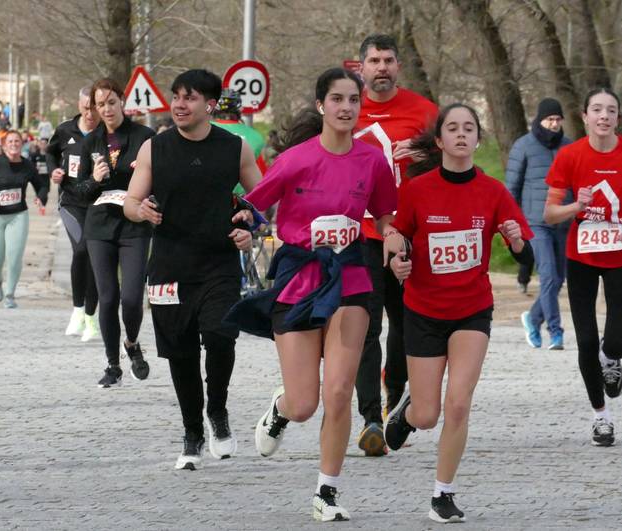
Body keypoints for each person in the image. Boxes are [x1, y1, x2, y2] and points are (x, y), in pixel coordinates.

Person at [229, 68, 399, 522]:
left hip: (351, 276)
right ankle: (280, 409)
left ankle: (327, 491)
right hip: (300, 276)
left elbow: (385, 215)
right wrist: (244, 224)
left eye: (353, 100)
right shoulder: (294, 160)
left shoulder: (372, 161)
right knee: (305, 403)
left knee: (339, 390)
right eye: (337, 99)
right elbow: (254, 206)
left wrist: (392, 235)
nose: (346, 107)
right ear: (322, 105)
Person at [385, 103, 534, 523]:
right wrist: (396, 260)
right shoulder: (417, 189)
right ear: (440, 140)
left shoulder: (493, 191)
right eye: (453, 128)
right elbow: (397, 235)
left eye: (469, 128)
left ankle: (443, 494)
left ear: (478, 140)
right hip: (423, 310)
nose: (462, 134)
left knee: (458, 404)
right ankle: (408, 412)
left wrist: (516, 241)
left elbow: (526, 256)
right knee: (427, 414)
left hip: (472, 310)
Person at [124, 69, 262, 470]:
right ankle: (192, 432)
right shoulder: (154, 149)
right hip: (169, 265)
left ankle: (217, 409)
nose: (179, 105)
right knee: (180, 353)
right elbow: (130, 202)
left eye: (190, 98)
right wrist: (141, 210)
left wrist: (250, 225)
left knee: (220, 335)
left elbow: (261, 200)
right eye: (176, 97)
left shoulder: (235, 148)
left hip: (219, 262)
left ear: (211, 105)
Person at [352, 34, 439, 456]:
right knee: (365, 325)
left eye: (388, 60)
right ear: (361, 68)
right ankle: (370, 417)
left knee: (406, 325)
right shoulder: (348, 109)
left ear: (398, 66)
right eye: (374, 60)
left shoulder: (424, 111)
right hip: (362, 234)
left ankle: (395, 398)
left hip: (409, 235)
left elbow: (454, 161)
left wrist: (426, 156)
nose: (382, 67)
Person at [543, 87, 622, 447]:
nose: (604, 116)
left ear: (617, 117)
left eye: (611, 110)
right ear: (585, 116)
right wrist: (577, 206)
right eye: (597, 109)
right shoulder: (570, 156)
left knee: (615, 340)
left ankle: (612, 358)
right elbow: (549, 214)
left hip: (619, 257)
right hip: (582, 258)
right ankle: (600, 417)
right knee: (587, 340)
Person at [74, 78, 155, 388]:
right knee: (108, 297)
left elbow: (160, 181)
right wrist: (94, 180)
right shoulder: (90, 142)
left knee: (132, 297)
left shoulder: (144, 137)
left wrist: (148, 194)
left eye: (111, 102)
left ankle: (132, 343)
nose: (106, 109)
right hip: (100, 226)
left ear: (122, 101)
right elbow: (79, 192)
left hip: (134, 225)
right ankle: (113, 365)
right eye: (100, 104)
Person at [506, 98, 573, 350]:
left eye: (558, 119)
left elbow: (577, 184)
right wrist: (511, 222)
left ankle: (533, 319)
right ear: (540, 120)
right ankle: (556, 332)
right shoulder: (523, 145)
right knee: (548, 276)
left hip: (563, 222)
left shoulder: (570, 147)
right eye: (549, 119)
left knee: (558, 279)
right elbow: (511, 188)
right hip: (536, 222)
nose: (554, 124)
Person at [48, 88, 101, 342]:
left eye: (94, 108)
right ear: (79, 106)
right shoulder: (65, 130)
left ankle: (90, 317)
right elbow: (50, 153)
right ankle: (78, 310)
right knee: (81, 249)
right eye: (86, 108)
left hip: (99, 203)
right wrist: (54, 171)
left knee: (96, 257)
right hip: (71, 203)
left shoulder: (107, 132)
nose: (90, 113)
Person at [0, 130, 49, 308]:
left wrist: (40, 198)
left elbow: (42, 185)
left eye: (17, 141)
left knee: (14, 257)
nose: (14, 144)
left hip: (18, 215)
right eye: (10, 141)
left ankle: (10, 294)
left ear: (22, 144)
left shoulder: (27, 165)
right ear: (4, 144)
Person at [212, 88, 269, 181]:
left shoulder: (201, 129)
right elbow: (262, 177)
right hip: (245, 189)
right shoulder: (255, 136)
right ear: (239, 109)